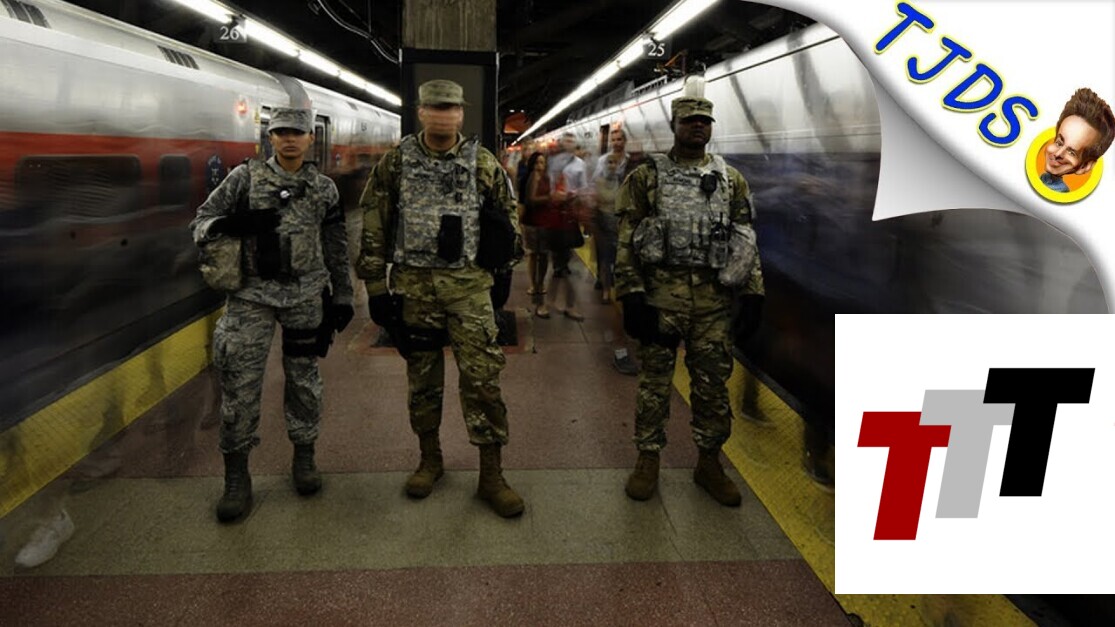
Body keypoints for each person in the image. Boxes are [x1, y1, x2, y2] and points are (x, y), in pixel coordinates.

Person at [356, 79, 525, 518]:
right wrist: (376, 289)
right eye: (435, 107)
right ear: (421, 112)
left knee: (483, 380)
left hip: (469, 291)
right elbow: (374, 222)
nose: (443, 114)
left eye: (451, 108)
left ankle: (491, 474)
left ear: (461, 114)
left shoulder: (483, 163)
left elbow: (508, 220)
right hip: (415, 291)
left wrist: (503, 271)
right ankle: (429, 459)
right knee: (423, 381)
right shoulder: (396, 163)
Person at [190, 107, 354, 523]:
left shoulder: (324, 189)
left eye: (297, 133)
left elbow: (336, 245)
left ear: (310, 138)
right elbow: (201, 223)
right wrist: (232, 224)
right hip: (251, 297)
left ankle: (304, 456)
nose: (289, 139)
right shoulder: (243, 179)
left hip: (305, 297)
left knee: (304, 380)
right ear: (271, 138)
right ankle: (236, 477)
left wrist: (343, 295)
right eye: (281, 132)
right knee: (240, 384)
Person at [615, 94, 763, 507]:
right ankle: (647, 459)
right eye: (690, 120)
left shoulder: (731, 179)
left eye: (705, 120)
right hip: (661, 301)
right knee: (654, 386)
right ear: (675, 125)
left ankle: (709, 463)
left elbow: (745, 240)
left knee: (712, 387)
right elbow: (626, 240)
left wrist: (753, 292)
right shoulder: (646, 177)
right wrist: (631, 294)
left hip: (713, 304)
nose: (698, 125)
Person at [1040, 88, 1114, 193]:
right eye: (1059, 143)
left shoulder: (1060, 194)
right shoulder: (1043, 179)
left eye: (1072, 152)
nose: (1058, 154)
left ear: (1085, 166)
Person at [592, 127, 629, 303]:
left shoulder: (629, 161)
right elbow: (595, 183)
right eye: (613, 139)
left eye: (619, 139)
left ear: (625, 141)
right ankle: (605, 285)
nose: (616, 143)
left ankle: (614, 282)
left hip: (623, 216)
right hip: (604, 215)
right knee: (605, 254)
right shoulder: (602, 161)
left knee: (620, 254)